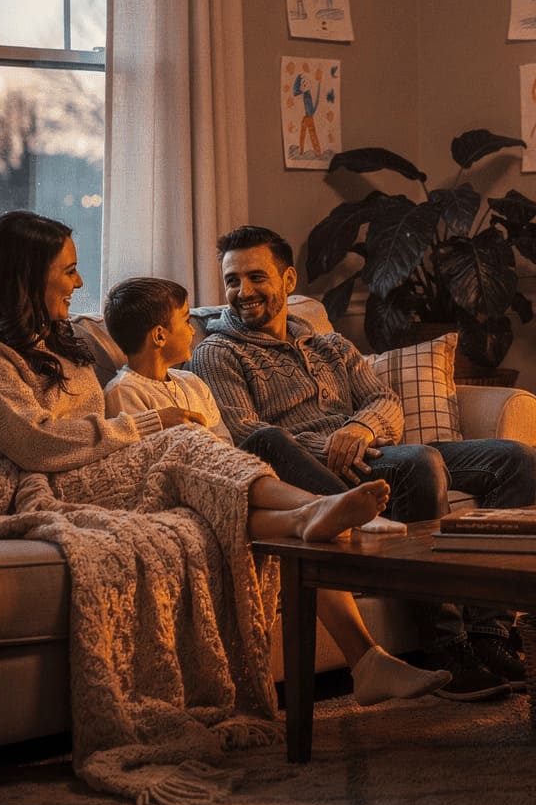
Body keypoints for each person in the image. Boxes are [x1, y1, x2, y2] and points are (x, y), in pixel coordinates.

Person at [0, 213, 428, 805]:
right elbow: (36, 442)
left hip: (96, 472)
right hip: (29, 487)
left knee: (211, 507)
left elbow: (93, 432)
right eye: (67, 270)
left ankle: (364, 654)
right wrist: (148, 423)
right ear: (26, 275)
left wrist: (138, 431)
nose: (79, 280)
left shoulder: (59, 345)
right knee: (183, 443)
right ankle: (311, 510)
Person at [190, 226, 536, 700]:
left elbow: (386, 400)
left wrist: (360, 430)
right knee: (420, 463)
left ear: (288, 279)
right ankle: (445, 645)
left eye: (257, 277)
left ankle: (490, 634)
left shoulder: (329, 345)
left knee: (518, 461)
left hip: (374, 449)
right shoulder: (218, 352)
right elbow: (247, 439)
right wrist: (330, 448)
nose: (242, 292)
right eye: (232, 280)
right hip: (313, 475)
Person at [101, 275, 451, 706]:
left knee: (298, 534)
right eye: (183, 322)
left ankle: (367, 660)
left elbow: (223, 449)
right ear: (159, 335)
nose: (193, 329)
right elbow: (155, 466)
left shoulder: (190, 384)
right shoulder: (124, 393)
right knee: (270, 462)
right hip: (184, 496)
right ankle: (328, 512)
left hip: (224, 484)